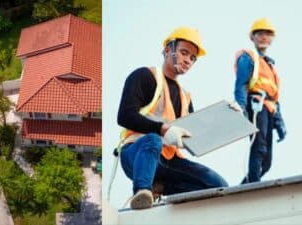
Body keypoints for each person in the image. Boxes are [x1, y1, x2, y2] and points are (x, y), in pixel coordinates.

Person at [117, 27, 228, 210]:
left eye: (193, 58)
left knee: (217, 185)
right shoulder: (145, 77)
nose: (188, 60)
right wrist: (163, 129)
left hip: (169, 161)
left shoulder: (186, 97)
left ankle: (160, 187)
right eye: (184, 53)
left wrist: (229, 117)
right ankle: (142, 193)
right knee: (152, 140)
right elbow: (125, 116)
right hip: (138, 154)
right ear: (168, 50)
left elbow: (198, 137)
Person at [234, 18, 286, 184]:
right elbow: (241, 84)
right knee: (259, 148)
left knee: (267, 161)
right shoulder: (248, 58)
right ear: (252, 37)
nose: (264, 37)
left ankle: (245, 187)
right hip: (256, 106)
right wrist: (241, 108)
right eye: (260, 33)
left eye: (268, 34)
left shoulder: (270, 65)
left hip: (269, 108)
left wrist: (280, 123)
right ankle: (253, 187)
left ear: (272, 38)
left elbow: (274, 98)